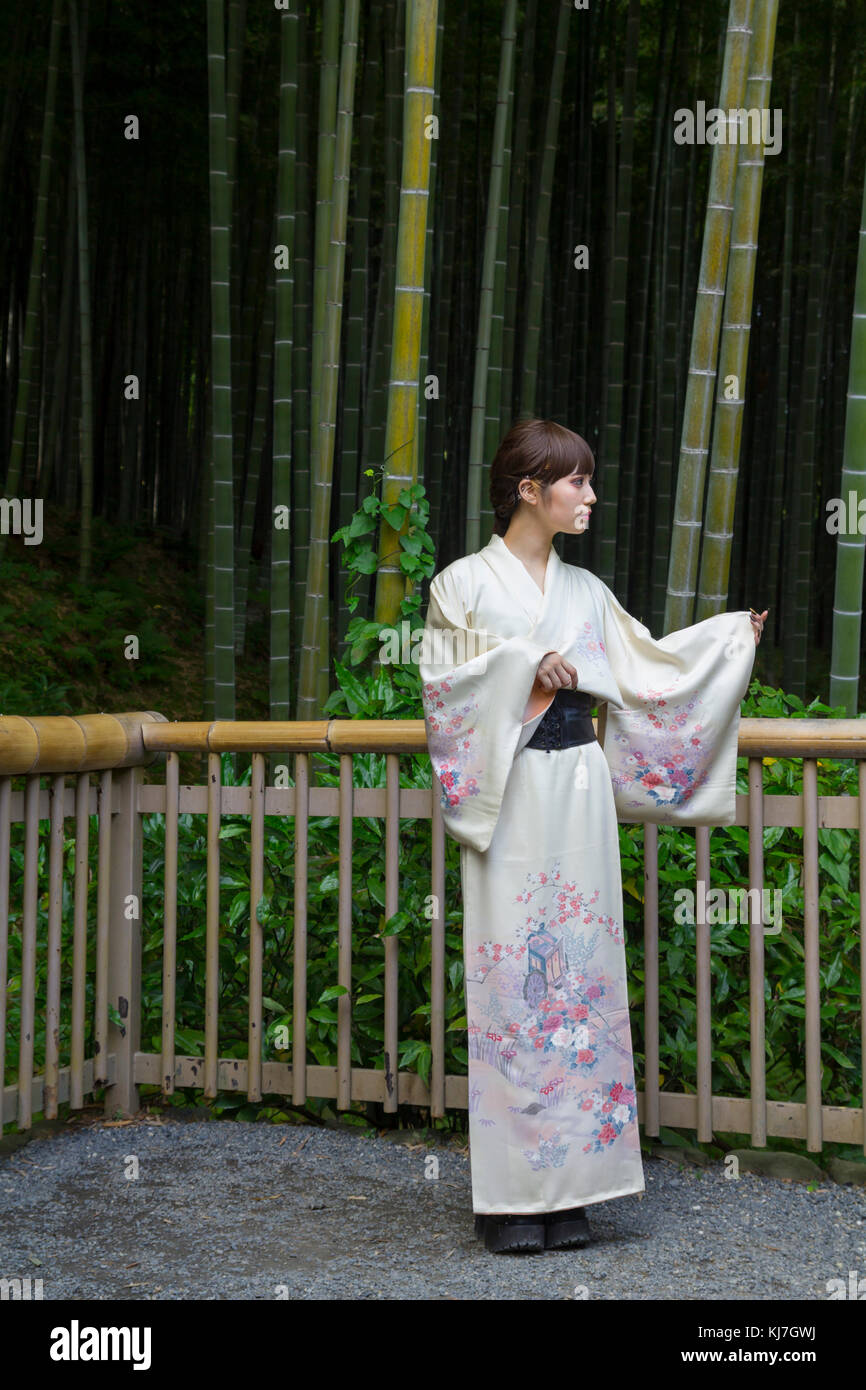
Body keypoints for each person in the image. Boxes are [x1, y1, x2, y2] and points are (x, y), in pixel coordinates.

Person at [418, 417, 766, 1255]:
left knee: (581, 975)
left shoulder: (587, 593)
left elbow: (649, 671)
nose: (590, 496)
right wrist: (521, 665)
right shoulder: (461, 586)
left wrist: (725, 643)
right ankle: (509, 1201)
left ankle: (575, 1192)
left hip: (576, 790)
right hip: (511, 799)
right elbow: (442, 688)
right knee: (513, 985)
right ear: (529, 488)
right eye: (576, 482)